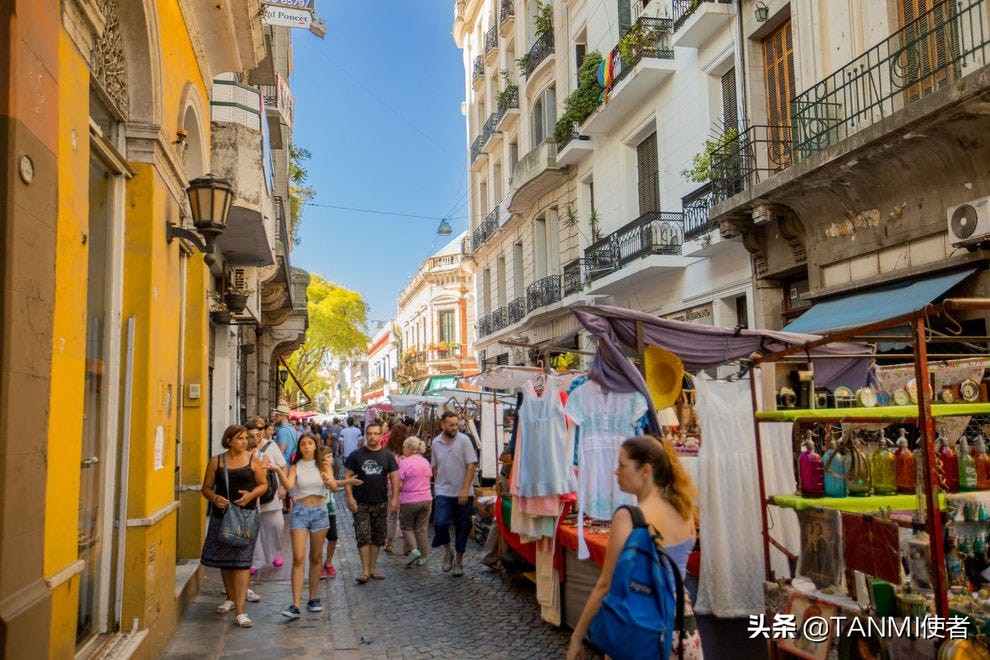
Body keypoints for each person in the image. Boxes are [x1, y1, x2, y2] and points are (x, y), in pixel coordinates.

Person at [566, 436, 702, 660]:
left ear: (645, 470)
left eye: (622, 464)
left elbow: (605, 585)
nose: (616, 471)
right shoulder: (686, 513)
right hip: (682, 624)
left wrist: (577, 637)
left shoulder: (629, 518)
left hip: (642, 623)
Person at [272, 433, 361, 619]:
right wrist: (279, 470)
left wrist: (328, 481)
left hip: (320, 512)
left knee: (315, 557)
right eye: (303, 444)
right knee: (298, 558)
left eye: (310, 443)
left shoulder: (324, 465)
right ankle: (295, 604)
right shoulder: (296, 466)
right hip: (300, 512)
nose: (306, 447)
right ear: (299, 447)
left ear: (315, 446)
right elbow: (288, 485)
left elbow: (334, 488)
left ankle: (313, 598)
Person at [199, 425, 269, 628]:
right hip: (222, 516)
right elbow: (206, 488)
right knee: (225, 559)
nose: (245, 442)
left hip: (246, 517)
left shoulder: (253, 460)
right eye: (240, 438)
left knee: (241, 561)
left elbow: (263, 485)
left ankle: (240, 611)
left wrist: (251, 495)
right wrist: (214, 497)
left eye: (246, 438)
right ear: (228, 440)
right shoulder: (217, 461)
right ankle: (230, 597)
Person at [344, 422, 399, 584]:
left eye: (376, 433)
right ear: (365, 435)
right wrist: (349, 496)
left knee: (377, 536)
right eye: (369, 433)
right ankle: (365, 569)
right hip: (360, 501)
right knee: (362, 535)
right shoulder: (356, 455)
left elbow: (395, 477)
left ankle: (373, 567)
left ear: (381, 436)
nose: (372, 436)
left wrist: (395, 497)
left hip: (380, 501)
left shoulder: (388, 455)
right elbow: (347, 477)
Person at [431, 411, 477, 577]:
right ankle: (448, 551)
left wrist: (465, 488)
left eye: (456, 424)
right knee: (440, 523)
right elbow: (434, 466)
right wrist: (438, 486)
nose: (455, 427)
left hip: (463, 491)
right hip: (443, 491)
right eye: (451, 425)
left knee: (462, 528)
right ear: (443, 425)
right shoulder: (436, 442)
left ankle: (458, 561)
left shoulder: (464, 440)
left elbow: (471, 465)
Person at [249, 420, 285, 572]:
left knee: (276, 525)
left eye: (260, 429)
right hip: (251, 494)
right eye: (254, 430)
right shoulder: (244, 447)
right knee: (254, 529)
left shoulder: (271, 446)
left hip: (271, 493)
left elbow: (283, 466)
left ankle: (274, 553)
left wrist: (283, 487)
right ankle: (256, 561)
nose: (258, 432)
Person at [397, 436, 432, 567]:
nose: (403, 449)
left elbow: (400, 484)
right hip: (426, 499)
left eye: (404, 447)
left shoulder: (404, 463)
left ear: (410, 449)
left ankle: (414, 550)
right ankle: (423, 557)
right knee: (421, 529)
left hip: (409, 500)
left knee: (406, 527)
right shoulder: (425, 462)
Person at [383, 422, 410, 553]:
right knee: (405, 517)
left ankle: (389, 543)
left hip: (390, 488)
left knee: (391, 516)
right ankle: (406, 545)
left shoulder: (387, 454)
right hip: (405, 488)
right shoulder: (407, 455)